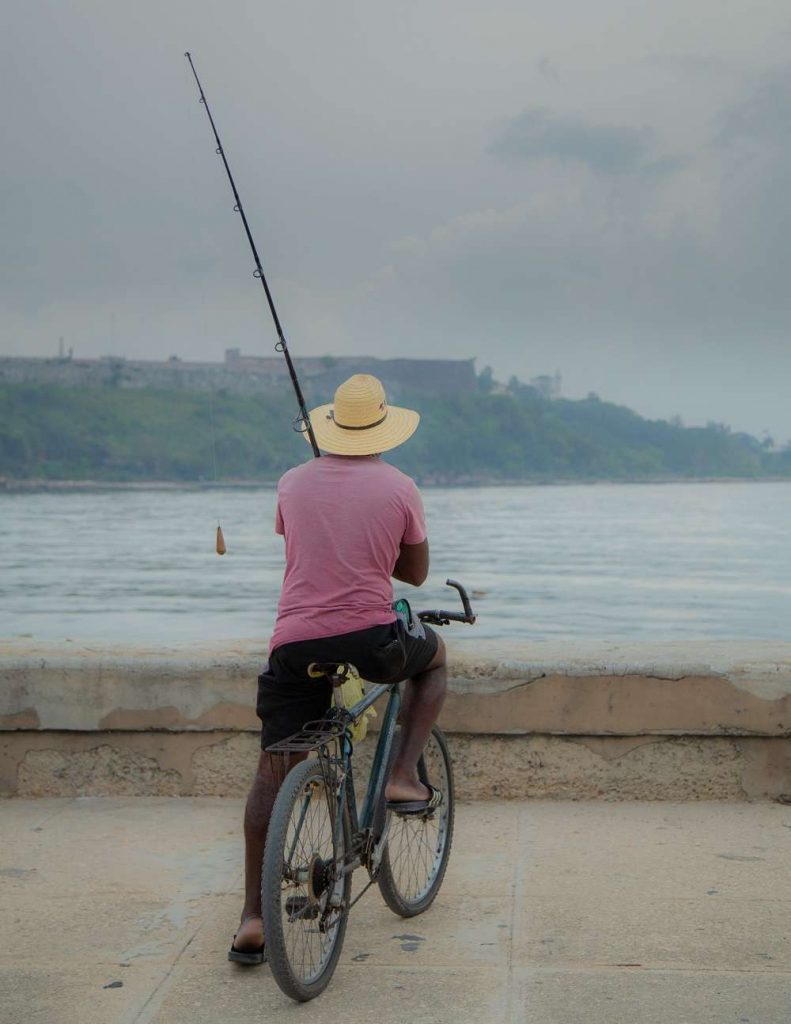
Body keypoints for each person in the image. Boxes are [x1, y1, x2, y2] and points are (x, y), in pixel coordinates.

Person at [229, 373, 446, 964]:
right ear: (382, 427)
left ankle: (252, 916)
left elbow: (304, 543)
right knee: (434, 658)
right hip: (372, 638)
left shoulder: (291, 483)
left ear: (331, 429)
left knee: (274, 766)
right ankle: (403, 774)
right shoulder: (400, 486)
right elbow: (417, 575)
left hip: (294, 643)